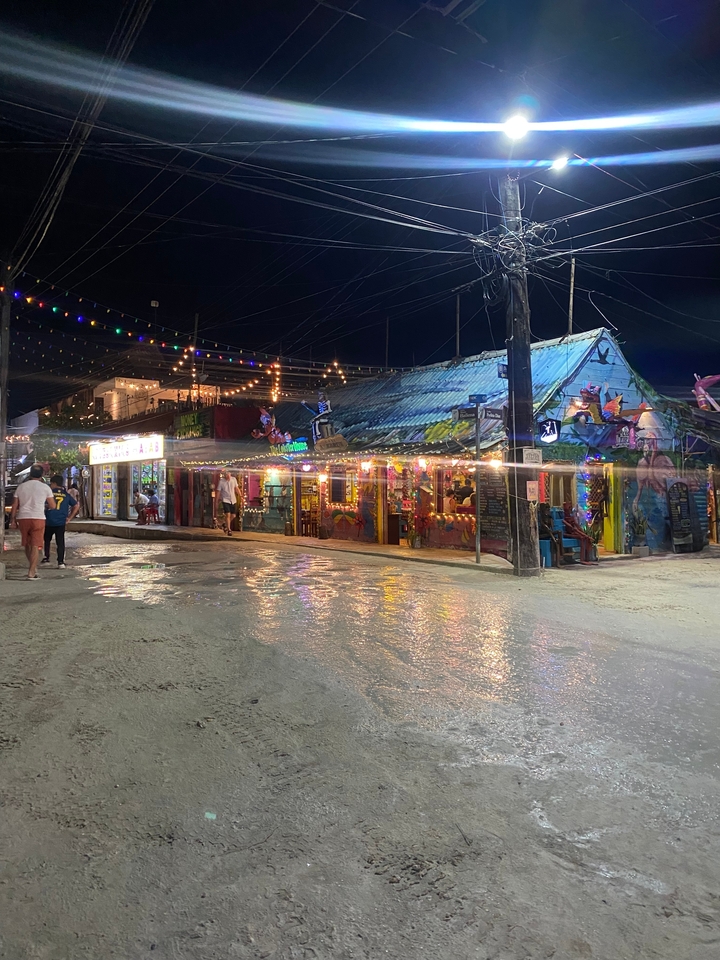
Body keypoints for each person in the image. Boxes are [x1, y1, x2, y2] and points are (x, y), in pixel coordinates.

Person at [9, 464, 57, 580]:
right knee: (35, 545)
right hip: (38, 518)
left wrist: (12, 520)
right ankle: (31, 572)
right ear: (42, 475)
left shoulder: (21, 487)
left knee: (27, 544)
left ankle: (33, 567)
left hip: (23, 518)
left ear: (30, 474)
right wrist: (45, 506)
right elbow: (53, 505)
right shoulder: (45, 488)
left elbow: (14, 505)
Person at [42, 474, 79, 569]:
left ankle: (46, 558)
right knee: (60, 542)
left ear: (54, 483)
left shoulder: (49, 493)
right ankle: (61, 562)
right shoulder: (66, 494)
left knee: (46, 540)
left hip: (48, 520)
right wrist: (70, 518)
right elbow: (76, 505)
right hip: (61, 521)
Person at [217, 471, 239, 536]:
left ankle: (225, 524)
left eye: (228, 474)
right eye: (226, 474)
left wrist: (241, 496)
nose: (227, 476)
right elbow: (218, 491)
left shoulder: (234, 479)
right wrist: (217, 500)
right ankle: (229, 530)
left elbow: (236, 488)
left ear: (230, 474)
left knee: (233, 515)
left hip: (233, 500)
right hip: (225, 500)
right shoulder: (221, 481)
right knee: (228, 515)